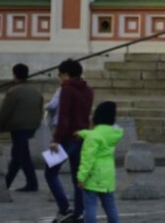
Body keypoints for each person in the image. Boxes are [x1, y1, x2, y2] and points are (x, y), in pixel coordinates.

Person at [48, 58, 94, 221]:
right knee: (77, 176)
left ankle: (64, 208)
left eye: (59, 75)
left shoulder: (66, 89)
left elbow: (64, 116)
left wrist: (56, 139)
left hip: (67, 138)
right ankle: (79, 211)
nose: (59, 78)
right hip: (82, 136)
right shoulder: (88, 90)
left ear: (66, 74)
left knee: (50, 172)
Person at [0, 63, 46, 193]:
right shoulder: (36, 91)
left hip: (18, 127)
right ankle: (6, 183)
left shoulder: (13, 92)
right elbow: (40, 109)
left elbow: (4, 111)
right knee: (17, 155)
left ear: (14, 75)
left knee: (23, 155)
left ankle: (32, 183)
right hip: (31, 126)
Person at [75, 101, 124, 223]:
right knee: (110, 205)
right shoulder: (114, 133)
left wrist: (81, 177)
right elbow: (99, 134)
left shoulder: (93, 136)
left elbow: (88, 158)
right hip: (108, 174)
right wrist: (83, 133)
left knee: (90, 206)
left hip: (94, 174)